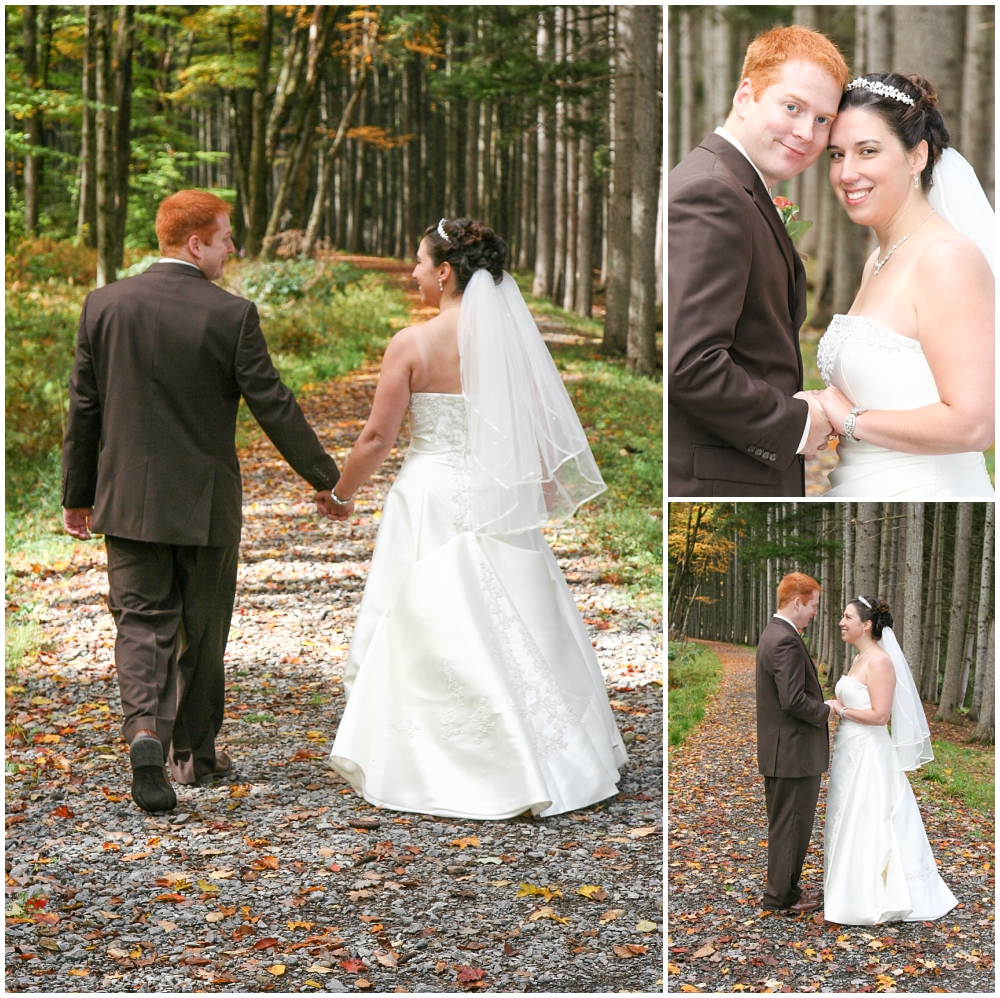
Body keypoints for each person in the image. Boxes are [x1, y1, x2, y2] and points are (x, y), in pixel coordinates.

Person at [321, 217, 627, 819]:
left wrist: (341, 492)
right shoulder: (510, 341)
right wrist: (530, 491)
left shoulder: (412, 343)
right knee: (514, 615)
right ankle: (543, 746)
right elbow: (536, 430)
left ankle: (434, 756)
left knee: (429, 621)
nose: (411, 272)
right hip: (495, 492)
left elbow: (378, 436)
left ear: (443, 271)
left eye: (417, 261)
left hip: (429, 493)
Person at [61, 190, 351, 813]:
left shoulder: (103, 305)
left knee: (140, 622)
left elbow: (84, 408)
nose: (232, 249)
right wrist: (323, 478)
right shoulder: (232, 315)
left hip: (128, 502)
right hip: (205, 504)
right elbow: (272, 402)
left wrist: (76, 495)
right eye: (226, 238)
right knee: (205, 629)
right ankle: (193, 754)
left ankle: (144, 733)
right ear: (195, 243)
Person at [667, 26, 848, 497]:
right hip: (717, 477)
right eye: (793, 107)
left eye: (823, 119)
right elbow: (690, 364)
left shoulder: (737, 186)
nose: (807, 133)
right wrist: (795, 420)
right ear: (746, 95)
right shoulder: (712, 193)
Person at [813, 72, 995, 496]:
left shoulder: (947, 258)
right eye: (837, 155)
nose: (847, 173)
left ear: (917, 157)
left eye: (868, 151)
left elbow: (972, 425)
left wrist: (851, 420)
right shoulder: (878, 260)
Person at [823, 597, 958, 924]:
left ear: (866, 624)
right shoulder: (859, 658)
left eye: (847, 617)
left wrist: (841, 709)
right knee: (846, 817)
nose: (841, 622)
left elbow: (880, 715)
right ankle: (844, 890)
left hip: (870, 753)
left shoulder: (880, 661)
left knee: (869, 818)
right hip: (849, 750)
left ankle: (871, 895)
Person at [755, 572, 840, 912]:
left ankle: (785, 889)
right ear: (797, 602)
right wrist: (826, 710)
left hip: (783, 751)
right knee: (792, 826)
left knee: (786, 825)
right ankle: (781, 898)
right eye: (813, 605)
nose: (815, 612)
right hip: (793, 752)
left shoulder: (774, 634)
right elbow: (792, 700)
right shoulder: (786, 640)